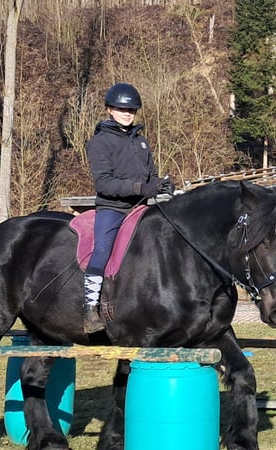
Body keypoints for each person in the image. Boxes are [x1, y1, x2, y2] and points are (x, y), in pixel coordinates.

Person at [83, 82, 173, 333]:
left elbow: (150, 176)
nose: (127, 114)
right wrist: (139, 188)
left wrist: (161, 184)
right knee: (101, 250)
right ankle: (90, 308)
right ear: (109, 109)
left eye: (132, 110)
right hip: (113, 208)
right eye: (122, 109)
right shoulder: (99, 143)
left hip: (141, 208)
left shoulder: (141, 142)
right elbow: (104, 183)